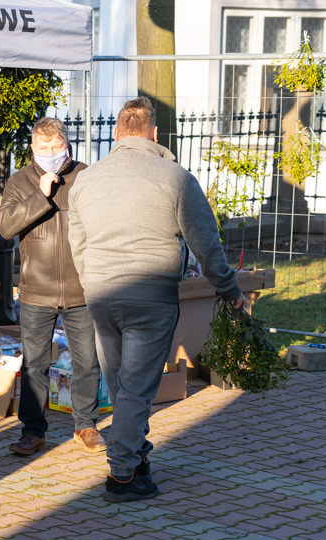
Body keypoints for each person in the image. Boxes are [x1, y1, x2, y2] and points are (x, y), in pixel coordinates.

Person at [68, 97, 246, 502]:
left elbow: (76, 242)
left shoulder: (87, 180)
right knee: (135, 388)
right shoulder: (175, 178)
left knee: (119, 382)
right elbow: (206, 243)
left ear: (117, 133)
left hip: (100, 293)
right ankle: (124, 474)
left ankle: (135, 453)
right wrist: (229, 289)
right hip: (151, 295)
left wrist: (90, 280)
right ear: (154, 134)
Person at [0, 117, 105, 456]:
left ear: (67, 144)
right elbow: (6, 227)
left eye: (57, 148)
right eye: (44, 149)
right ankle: (33, 432)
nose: (51, 154)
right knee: (34, 364)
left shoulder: (86, 176)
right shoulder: (19, 181)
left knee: (87, 361)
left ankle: (86, 426)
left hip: (80, 288)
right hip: (36, 289)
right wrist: (40, 195)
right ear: (32, 148)